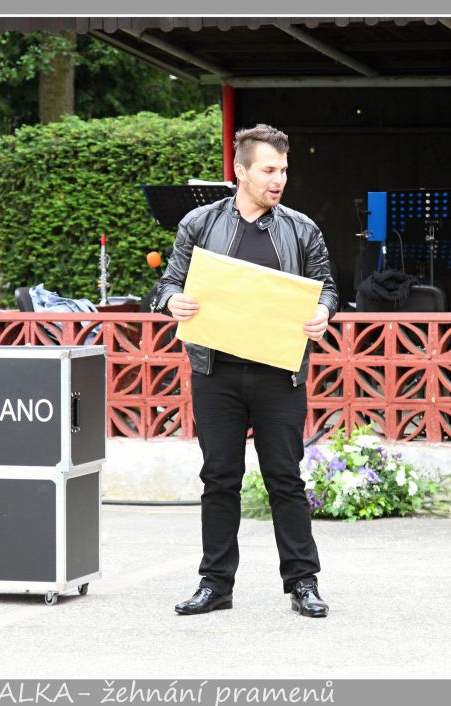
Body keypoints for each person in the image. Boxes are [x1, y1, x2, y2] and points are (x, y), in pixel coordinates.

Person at [154, 124, 339, 618]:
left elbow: (327, 286)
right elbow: (168, 282)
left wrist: (323, 310)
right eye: (269, 170)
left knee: (285, 478)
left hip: (279, 374)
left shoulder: (301, 228)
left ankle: (303, 582)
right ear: (241, 170)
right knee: (219, 478)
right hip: (215, 372)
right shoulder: (199, 223)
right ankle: (215, 584)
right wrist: (173, 300)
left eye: (284, 171)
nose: (279, 180)